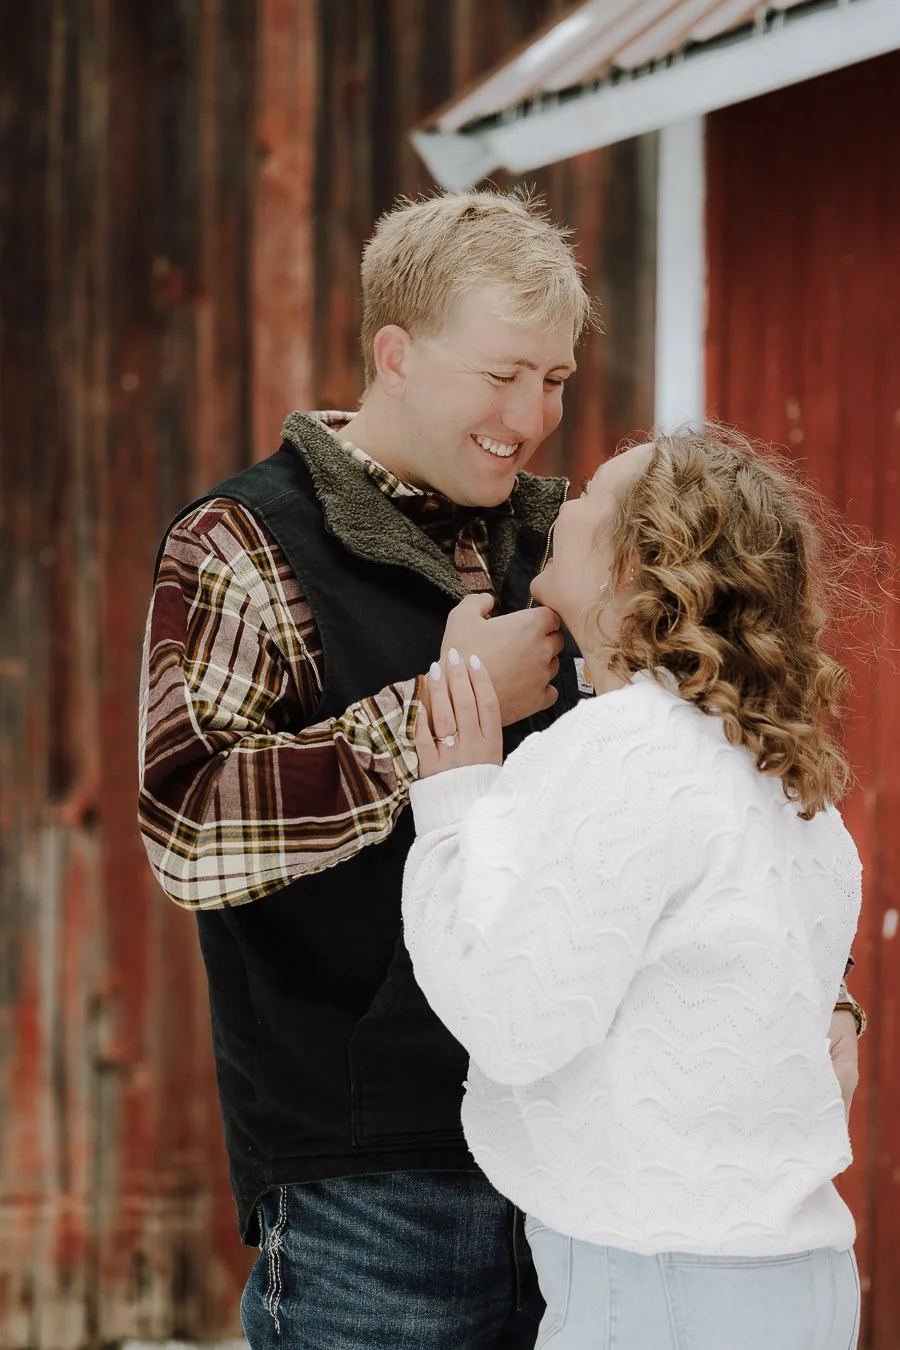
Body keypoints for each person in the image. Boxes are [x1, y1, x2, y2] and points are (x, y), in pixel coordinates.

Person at [138, 186, 861, 1349]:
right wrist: (440, 713)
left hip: (593, 1184)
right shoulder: (243, 543)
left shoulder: (575, 539)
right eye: (503, 374)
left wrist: (809, 996)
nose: (531, 418)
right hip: (377, 1184)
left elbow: (709, 810)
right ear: (397, 354)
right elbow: (189, 829)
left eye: (558, 382)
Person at [402, 426, 866, 1350]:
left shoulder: (623, 749)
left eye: (585, 497)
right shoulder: (784, 776)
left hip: (660, 1288)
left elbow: (513, 1014)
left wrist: (455, 802)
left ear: (637, 561)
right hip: (799, 1279)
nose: (558, 504)